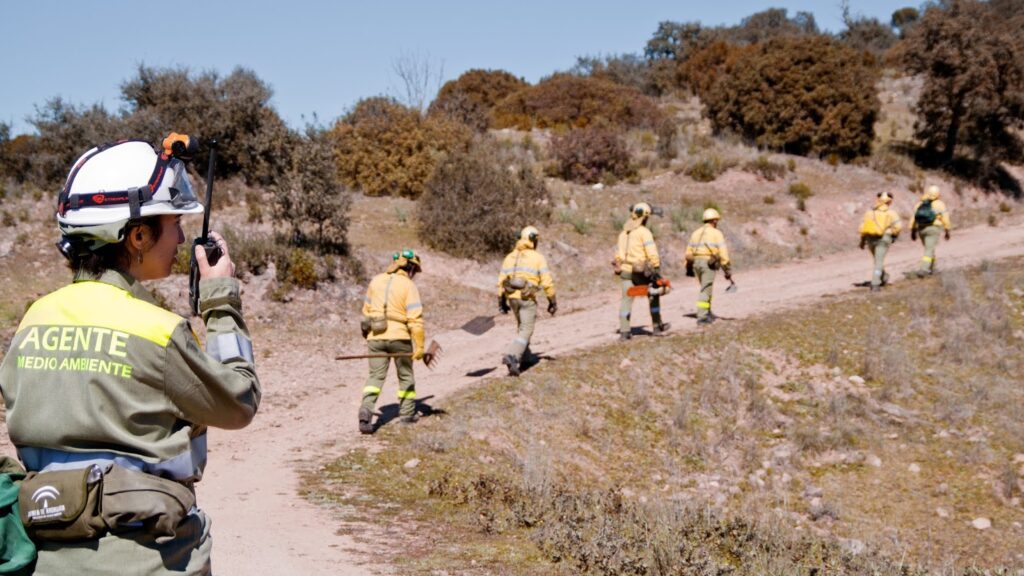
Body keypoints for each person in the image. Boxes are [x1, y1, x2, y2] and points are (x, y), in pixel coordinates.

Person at [0, 137, 261, 575]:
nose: (181, 237)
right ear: (138, 236)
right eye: (174, 222)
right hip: (149, 559)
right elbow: (239, 402)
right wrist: (221, 301)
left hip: (44, 559)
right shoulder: (156, 330)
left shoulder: (32, 321)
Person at [358, 249, 425, 433]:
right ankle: (407, 414)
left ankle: (366, 409)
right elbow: (415, 320)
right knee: (405, 375)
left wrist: (367, 334)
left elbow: (366, 313)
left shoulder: (376, 280)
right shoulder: (409, 286)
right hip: (399, 337)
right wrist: (420, 345)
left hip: (376, 336)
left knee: (375, 377)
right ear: (411, 269)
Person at [497, 226, 556, 376]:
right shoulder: (537, 257)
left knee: (521, 328)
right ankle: (512, 355)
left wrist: (501, 301)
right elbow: (547, 282)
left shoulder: (509, 257)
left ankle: (526, 358)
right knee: (526, 329)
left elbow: (501, 281)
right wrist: (552, 300)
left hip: (512, 299)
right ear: (533, 240)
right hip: (527, 299)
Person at [614, 202, 668, 340]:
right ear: (645, 217)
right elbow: (652, 252)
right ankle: (657, 326)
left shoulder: (623, 233)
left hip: (625, 271)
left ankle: (624, 332)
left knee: (626, 299)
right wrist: (656, 268)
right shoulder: (644, 232)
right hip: (640, 271)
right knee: (654, 293)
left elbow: (618, 255)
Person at [684, 208, 732, 325]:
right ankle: (702, 317)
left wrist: (688, 267)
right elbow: (723, 252)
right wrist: (727, 268)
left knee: (706, 288)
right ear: (714, 221)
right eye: (717, 220)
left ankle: (707, 312)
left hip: (696, 264)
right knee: (705, 290)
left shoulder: (695, 233)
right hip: (707, 264)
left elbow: (688, 252)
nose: (717, 223)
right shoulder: (716, 233)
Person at [858, 191, 902, 292]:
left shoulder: (869, 213)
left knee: (877, 260)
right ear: (889, 201)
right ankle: (875, 283)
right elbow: (898, 227)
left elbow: (862, 228)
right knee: (879, 261)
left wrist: (862, 241)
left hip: (870, 239)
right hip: (884, 239)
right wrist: (894, 235)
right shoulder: (891, 213)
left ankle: (884, 277)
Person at [909, 184, 952, 277]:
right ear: (938, 194)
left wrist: (913, 231)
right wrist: (947, 230)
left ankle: (932, 269)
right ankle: (924, 269)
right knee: (929, 250)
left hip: (921, 229)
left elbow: (913, 218)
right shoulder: (939, 204)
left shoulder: (919, 204)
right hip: (933, 229)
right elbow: (945, 218)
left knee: (930, 248)